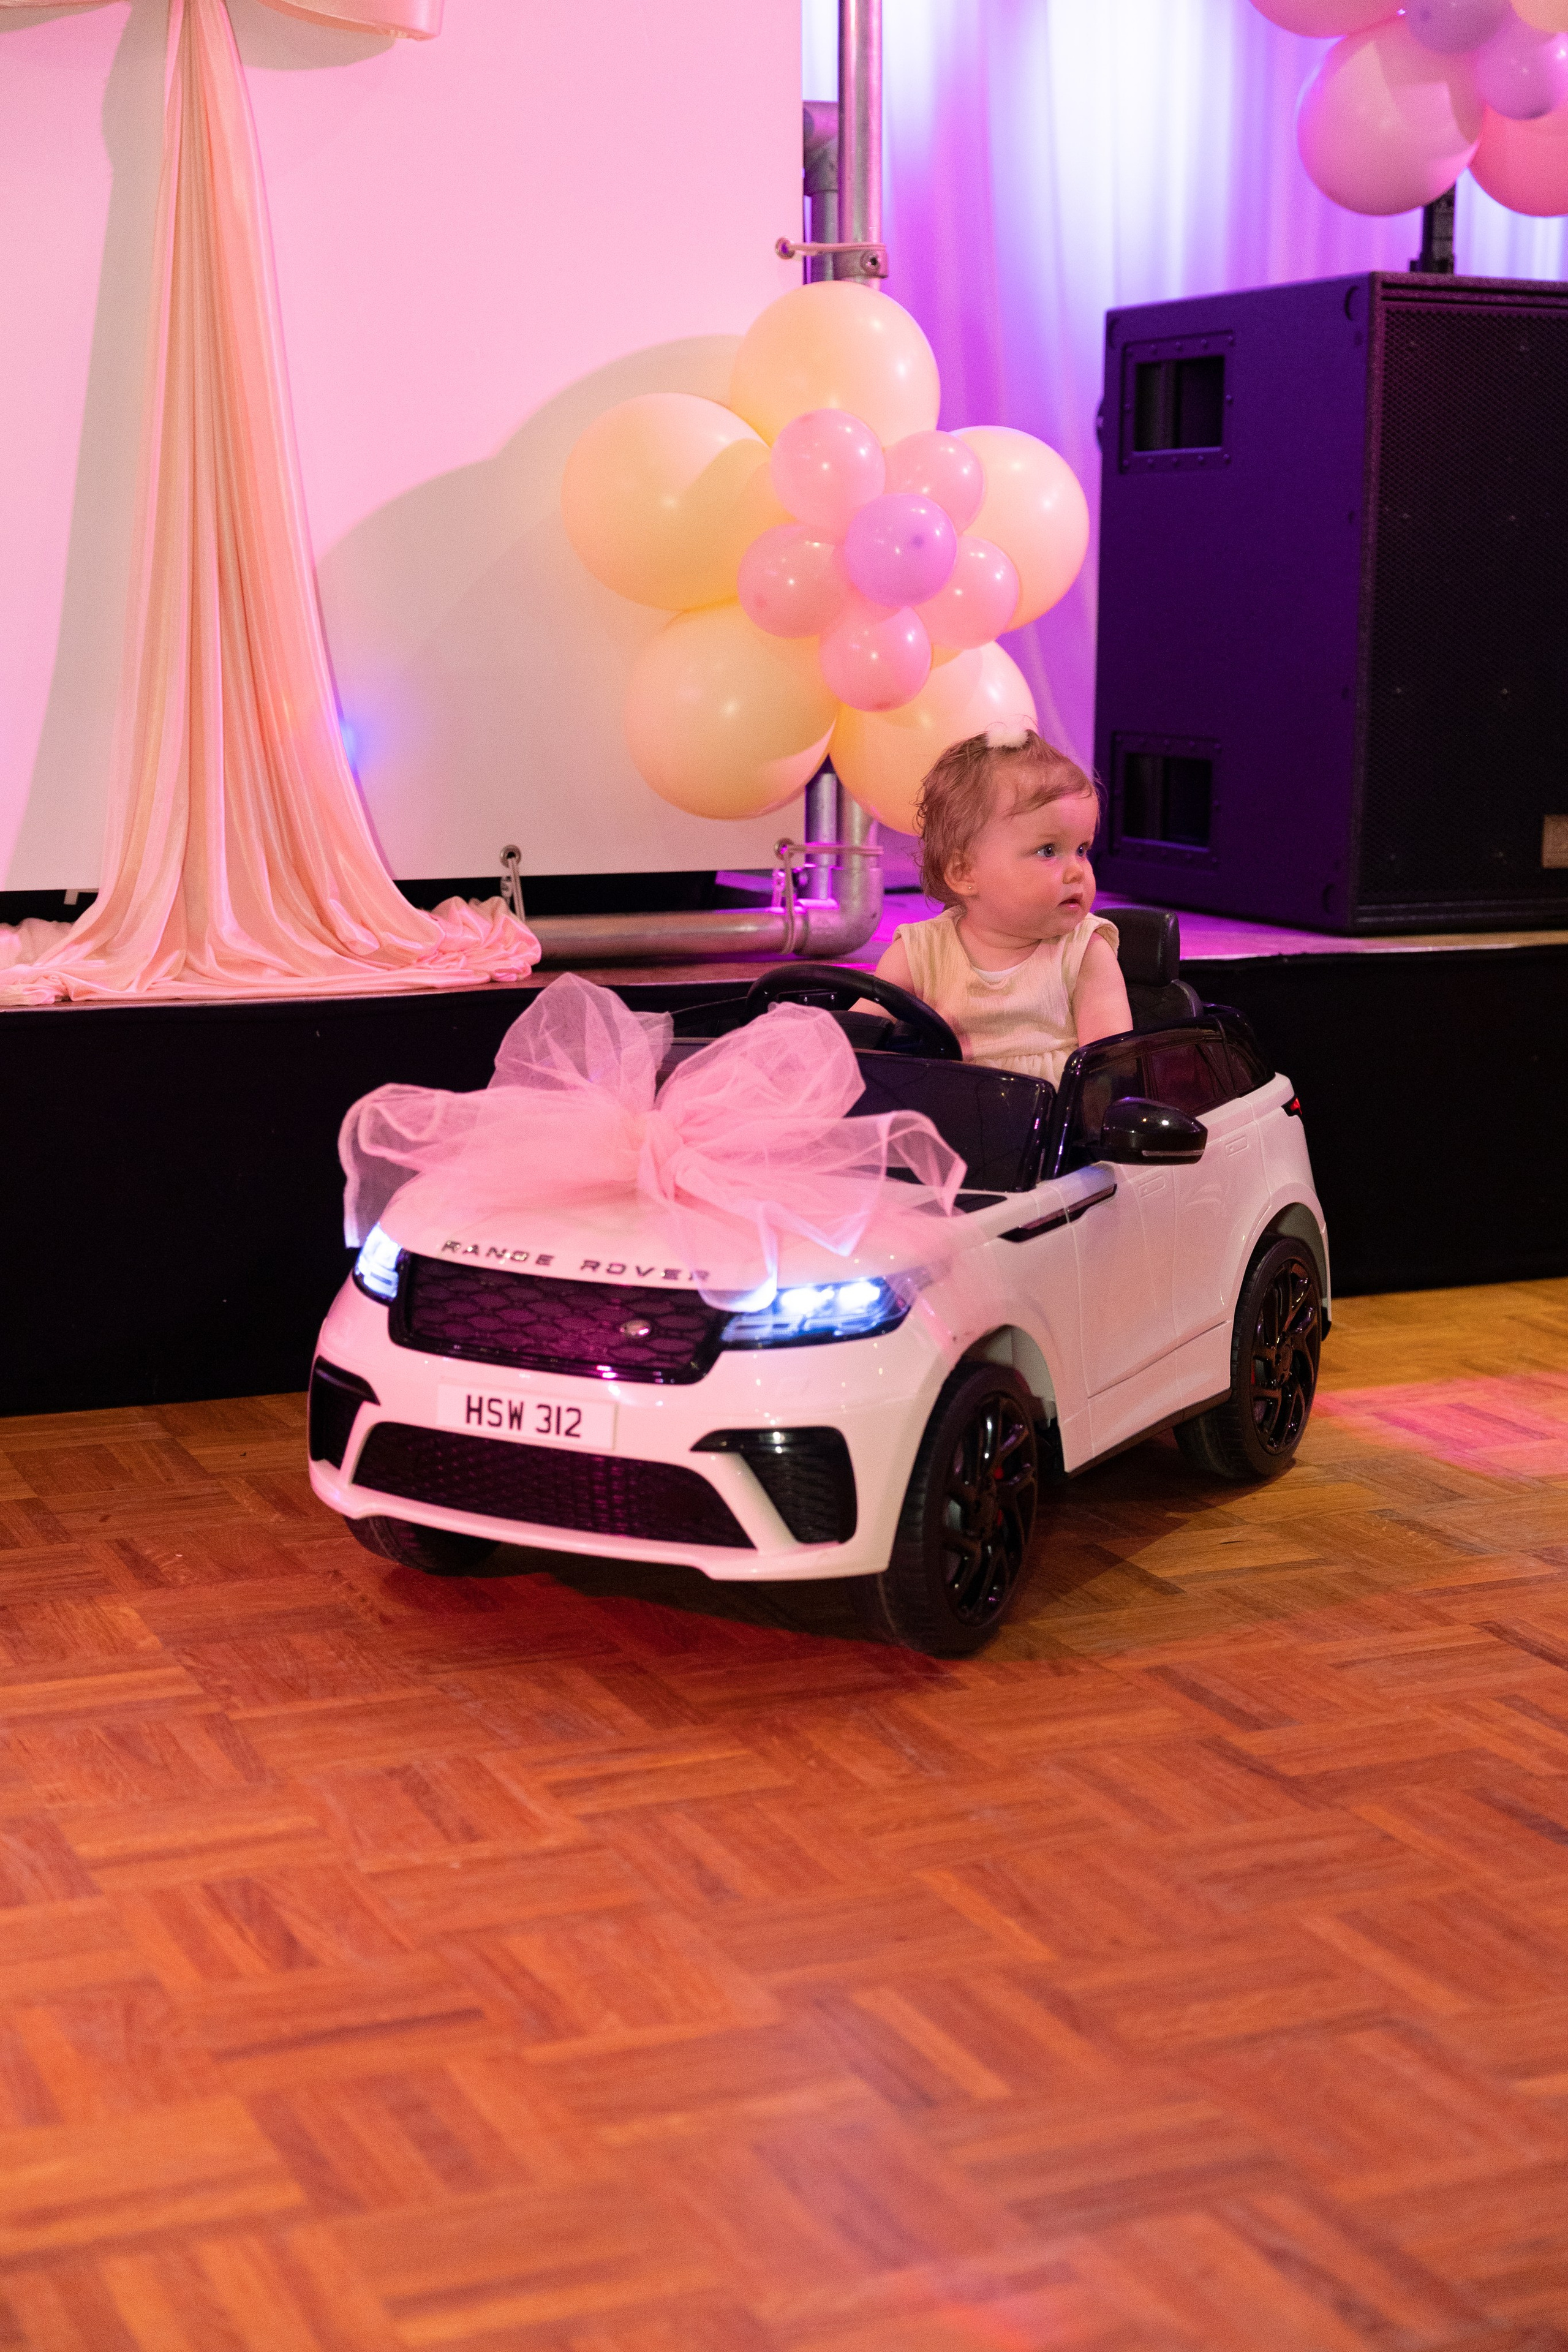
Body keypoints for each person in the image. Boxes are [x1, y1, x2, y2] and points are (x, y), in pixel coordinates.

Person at [873, 723, 1132, 1085]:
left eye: (1081, 849)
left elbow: (1111, 1068)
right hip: (950, 1110)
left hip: (1054, 1112)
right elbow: (860, 1041)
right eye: (1048, 851)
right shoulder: (918, 953)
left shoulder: (1084, 951)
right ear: (965, 873)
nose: (1077, 871)